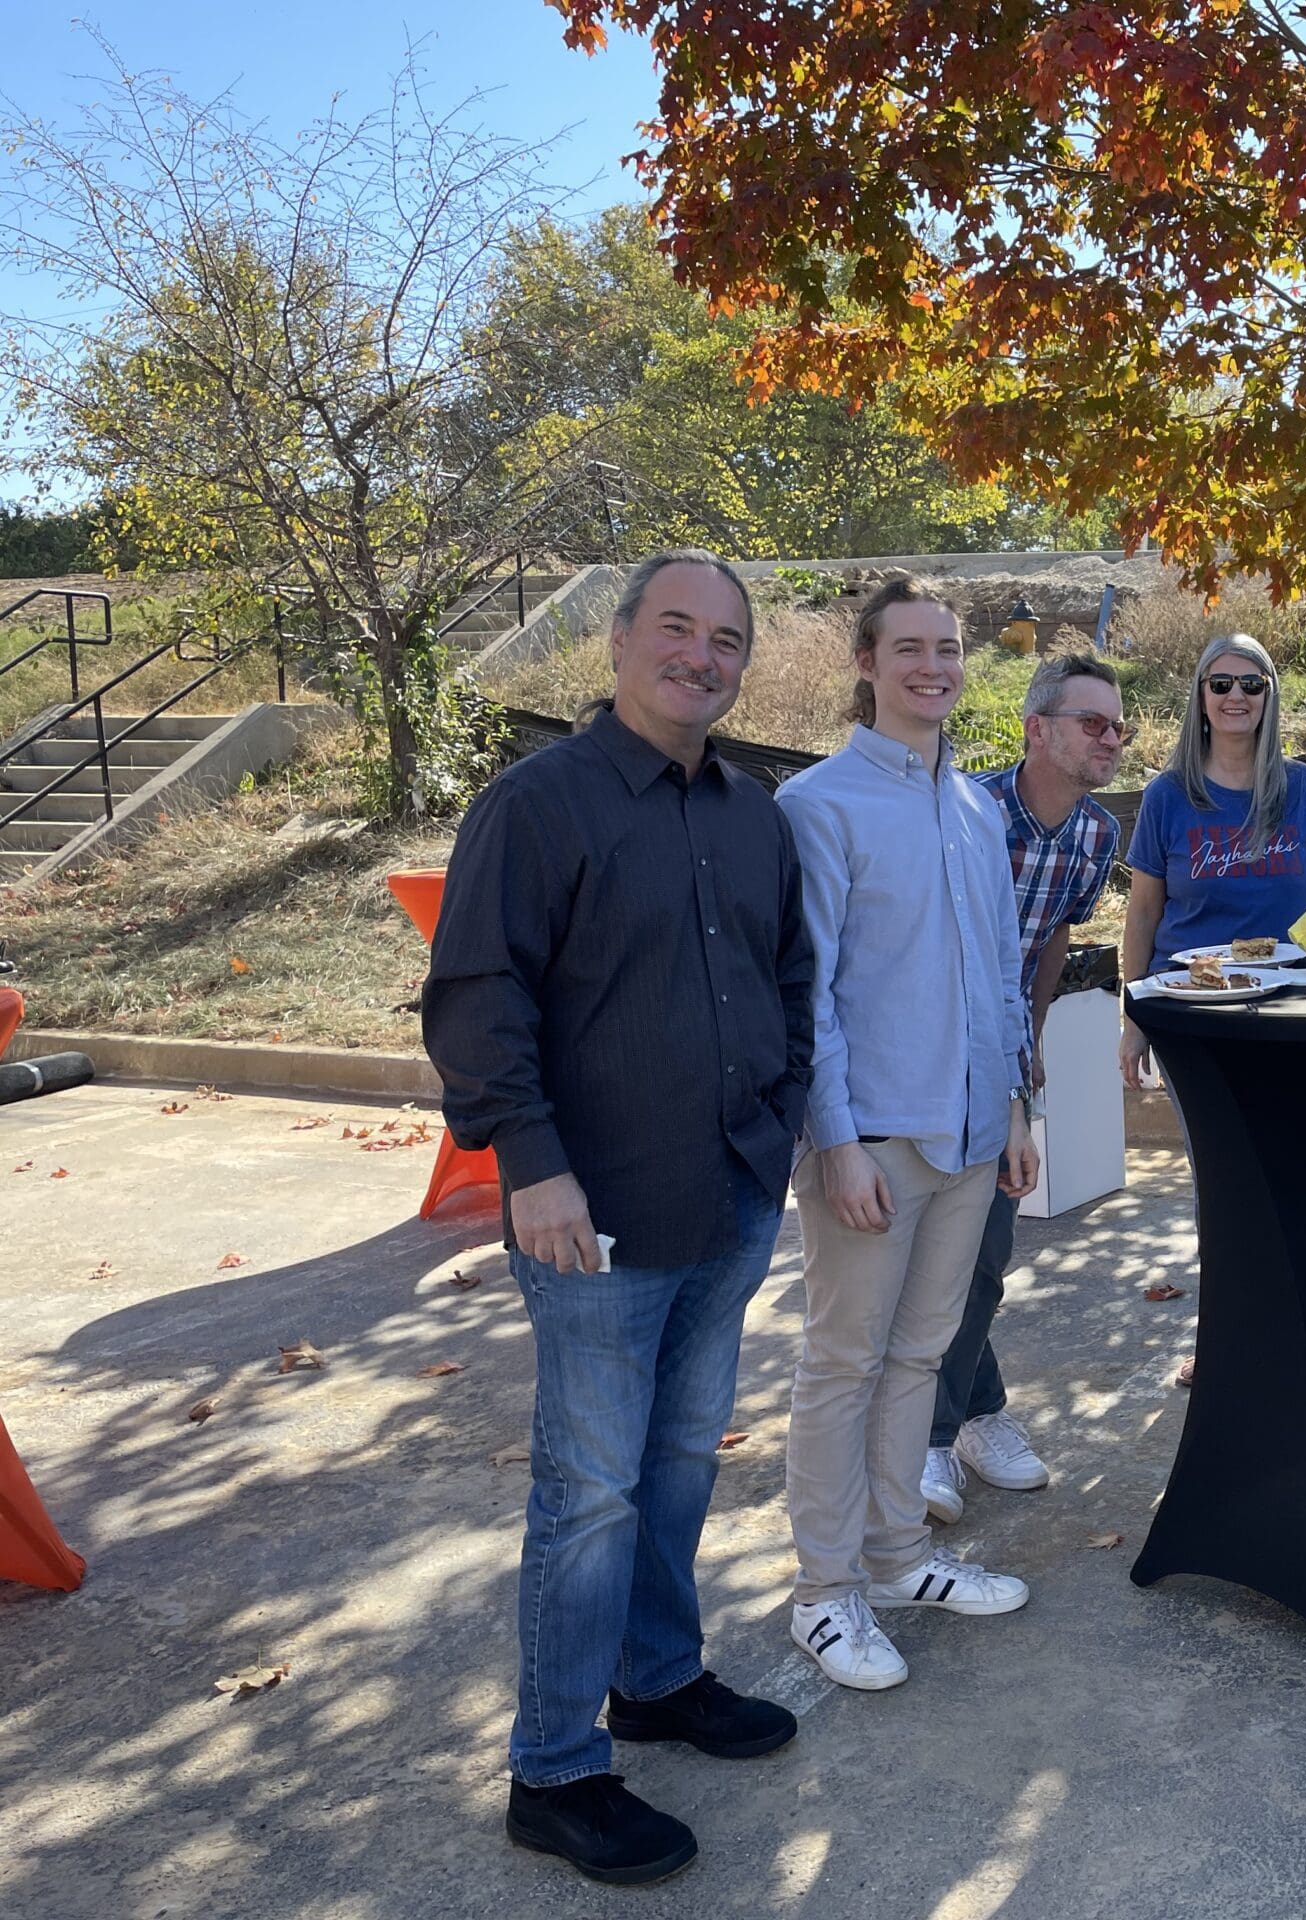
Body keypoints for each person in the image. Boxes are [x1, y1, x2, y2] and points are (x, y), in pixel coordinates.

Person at [424, 549, 811, 1888]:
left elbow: (790, 979)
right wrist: (530, 1165)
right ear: (619, 641)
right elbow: (477, 996)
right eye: (677, 628)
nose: (702, 656)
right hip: (592, 1213)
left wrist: (781, 1127)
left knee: (682, 1458)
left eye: (726, 640)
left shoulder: (757, 815)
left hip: (732, 1193)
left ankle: (656, 1678)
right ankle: (555, 1770)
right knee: (589, 1492)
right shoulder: (536, 805)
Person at [777, 576, 1041, 1696]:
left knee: (921, 1358)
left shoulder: (977, 808)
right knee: (843, 1361)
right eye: (911, 649)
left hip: (972, 1136)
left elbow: (999, 976)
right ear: (867, 663)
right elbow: (808, 993)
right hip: (873, 1143)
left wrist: (1016, 1106)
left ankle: (895, 1559)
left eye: (949, 648)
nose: (934, 667)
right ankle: (823, 1591)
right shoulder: (818, 805)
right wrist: (834, 1141)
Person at [921, 652, 1128, 1526]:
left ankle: (964, 1420)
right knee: (944, 1256)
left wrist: (1032, 1040)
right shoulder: (963, 810)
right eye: (1093, 723)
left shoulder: (1097, 836)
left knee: (986, 1249)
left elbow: (1053, 941)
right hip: (925, 1055)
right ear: (1036, 729)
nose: (1112, 739)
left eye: (1120, 727)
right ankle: (941, 1430)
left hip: (1003, 1059)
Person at [1118, 631, 1306, 1086]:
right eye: (1221, 684)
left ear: (1270, 695)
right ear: (1201, 696)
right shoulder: (1167, 795)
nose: (1237, 695)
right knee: (1212, 1130)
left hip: (1293, 1003)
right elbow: (1143, 913)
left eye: (1252, 684)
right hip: (1190, 1005)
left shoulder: (1304, 788)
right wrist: (1135, 1018)